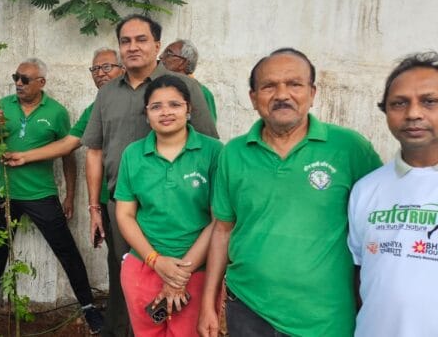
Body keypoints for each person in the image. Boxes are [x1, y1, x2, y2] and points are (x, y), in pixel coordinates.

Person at [197, 48, 382, 337]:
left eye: (294, 84)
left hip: (325, 317)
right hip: (248, 307)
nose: (282, 94)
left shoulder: (349, 149)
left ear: (312, 92)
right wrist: (208, 303)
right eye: (269, 86)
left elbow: (377, 227)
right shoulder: (233, 153)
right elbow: (222, 230)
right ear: (253, 98)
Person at [81, 16, 218, 331]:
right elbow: (95, 151)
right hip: (123, 206)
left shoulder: (183, 88)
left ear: (157, 45)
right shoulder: (107, 94)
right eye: (125, 41)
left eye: (141, 39)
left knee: (177, 279)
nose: (132, 47)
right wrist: (94, 208)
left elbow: (208, 146)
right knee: (125, 275)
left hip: (178, 206)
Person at [0, 58, 105, 334]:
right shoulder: (2, 106)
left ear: (41, 83)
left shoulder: (56, 112)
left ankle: (88, 307)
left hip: (41, 193)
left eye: (25, 79)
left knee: (66, 250)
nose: (18, 84)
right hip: (5, 192)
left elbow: (66, 153)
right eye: (16, 77)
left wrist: (70, 196)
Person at [3, 47, 131, 336]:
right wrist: (25, 157)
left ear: (122, 69)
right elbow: (72, 143)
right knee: (120, 261)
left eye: (107, 67)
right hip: (111, 200)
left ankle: (99, 311)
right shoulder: (97, 105)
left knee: (130, 262)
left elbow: (69, 151)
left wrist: (70, 195)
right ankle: (117, 321)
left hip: (143, 199)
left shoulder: (145, 96)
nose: (100, 74)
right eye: (95, 69)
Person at [115, 75, 221, 336]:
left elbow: (219, 220)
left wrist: (180, 274)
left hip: (198, 272)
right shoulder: (132, 154)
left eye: (174, 104)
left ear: (188, 110)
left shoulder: (214, 152)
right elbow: (125, 214)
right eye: (156, 106)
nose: (166, 112)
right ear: (146, 114)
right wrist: (156, 261)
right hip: (143, 268)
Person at [347, 51, 438, 337]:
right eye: (399, 103)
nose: (413, 113)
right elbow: (361, 274)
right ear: (386, 111)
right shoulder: (366, 189)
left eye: (429, 102)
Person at [160, 39, 218, 123]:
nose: (161, 56)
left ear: (182, 63)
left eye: (168, 53)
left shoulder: (201, 92)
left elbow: (206, 130)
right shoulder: (160, 87)